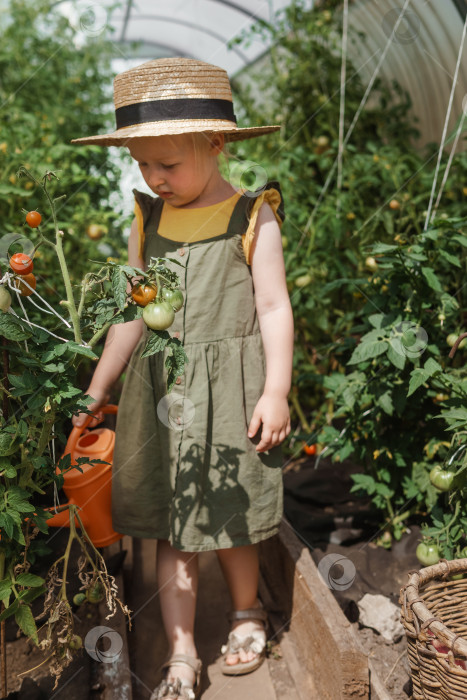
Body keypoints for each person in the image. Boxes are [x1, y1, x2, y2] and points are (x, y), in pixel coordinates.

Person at [71, 57, 294, 700]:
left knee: (231, 515)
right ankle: (182, 649)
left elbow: (275, 308)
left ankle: (247, 612)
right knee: (174, 525)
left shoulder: (254, 217)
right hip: (165, 395)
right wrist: (97, 389)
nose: (155, 177)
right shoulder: (149, 219)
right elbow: (133, 318)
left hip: (231, 392)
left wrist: (275, 390)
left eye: (168, 163)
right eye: (143, 165)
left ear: (216, 143)